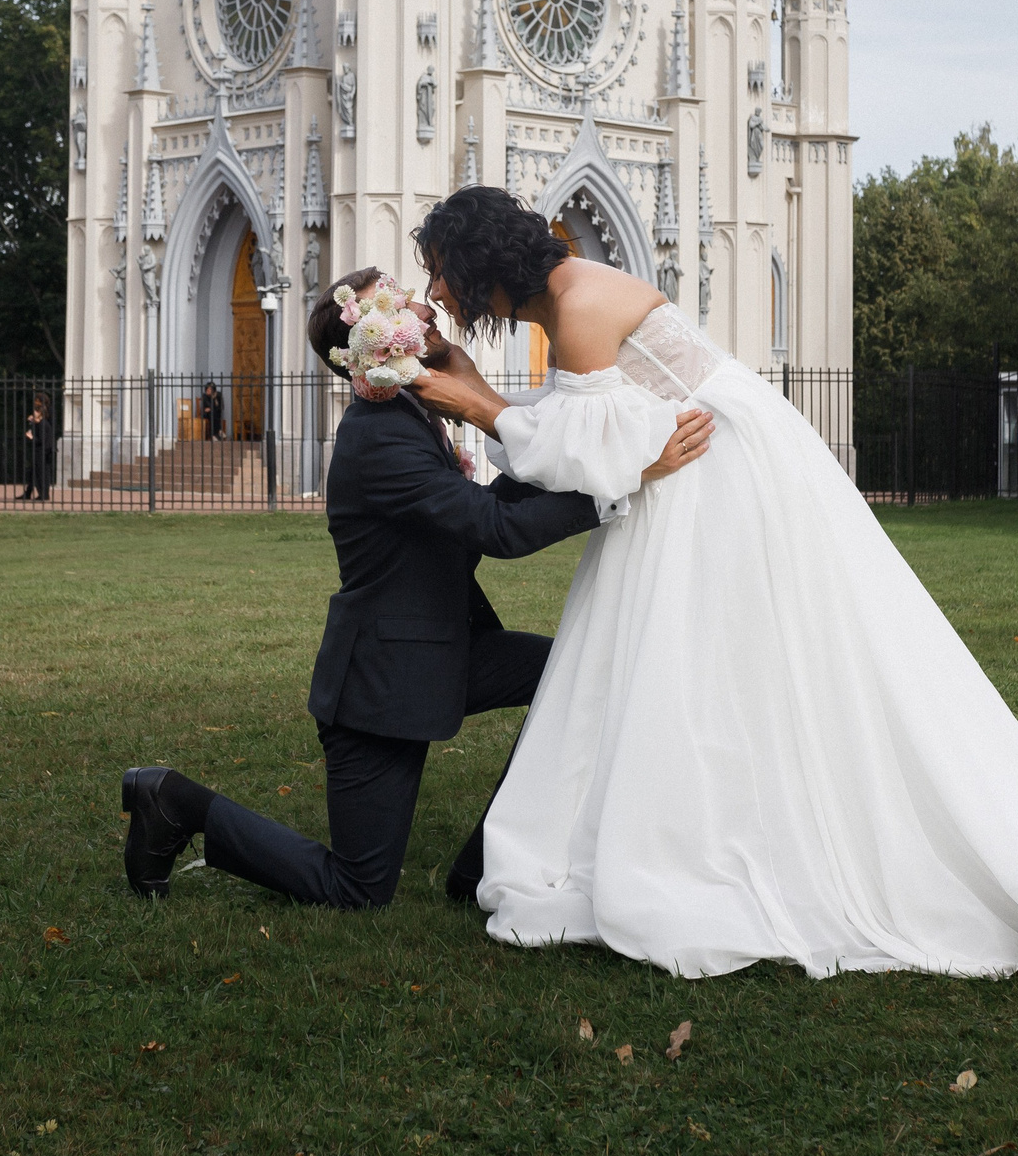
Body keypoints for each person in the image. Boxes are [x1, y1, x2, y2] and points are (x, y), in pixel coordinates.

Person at [406, 185, 1018, 1014]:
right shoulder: (562, 299)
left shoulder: (577, 303)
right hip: (695, 470)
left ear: (479, 262)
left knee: (710, 658)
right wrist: (492, 404)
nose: (433, 289)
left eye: (440, 271)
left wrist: (477, 404)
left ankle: (714, 844)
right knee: (677, 662)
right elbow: (598, 439)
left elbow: (591, 451)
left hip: (720, 480)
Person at [118, 265, 713, 909]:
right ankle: (172, 801)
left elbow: (481, 502)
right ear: (367, 352)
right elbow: (494, 527)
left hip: (448, 649)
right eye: (395, 310)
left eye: (408, 297)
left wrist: (549, 428)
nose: (422, 307)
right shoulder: (378, 438)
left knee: (578, 678)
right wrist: (624, 475)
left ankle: (490, 864)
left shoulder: (414, 412)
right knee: (356, 889)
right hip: (384, 681)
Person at [20, 395, 54, 502]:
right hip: (40, 450)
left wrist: (32, 437)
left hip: (43, 451)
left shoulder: (44, 423)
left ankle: (43, 494)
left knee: (41, 473)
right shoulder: (40, 423)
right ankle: (35, 493)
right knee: (36, 472)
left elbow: (42, 439)